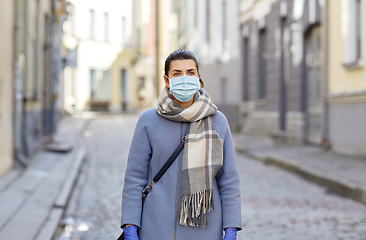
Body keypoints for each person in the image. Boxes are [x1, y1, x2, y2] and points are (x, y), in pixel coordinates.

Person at [121, 49, 242, 240]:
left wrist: (231, 227)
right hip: (156, 227)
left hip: (206, 230)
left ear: (199, 77)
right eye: (177, 73)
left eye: (190, 72)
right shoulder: (148, 120)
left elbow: (228, 181)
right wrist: (130, 224)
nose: (185, 78)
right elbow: (135, 178)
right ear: (167, 80)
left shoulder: (218, 121)